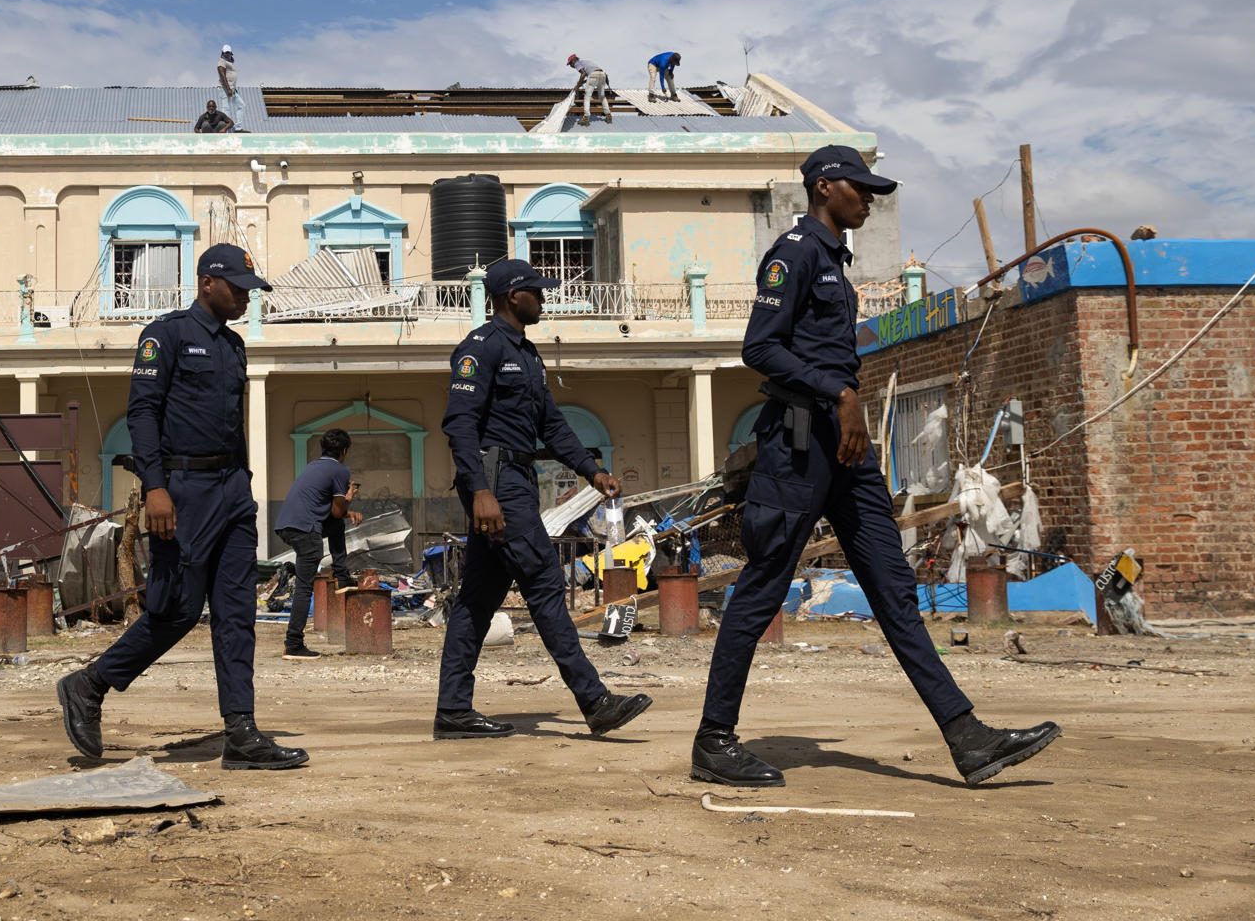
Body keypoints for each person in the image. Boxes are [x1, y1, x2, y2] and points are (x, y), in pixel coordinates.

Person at [692, 145, 1061, 789]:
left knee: (895, 593)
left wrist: (847, 407)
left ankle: (967, 737)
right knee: (762, 590)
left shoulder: (836, 258)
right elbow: (759, 347)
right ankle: (713, 742)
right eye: (860, 188)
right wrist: (838, 394)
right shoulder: (797, 252)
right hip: (800, 442)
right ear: (825, 187)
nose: (869, 198)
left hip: (847, 449)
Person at [58, 243, 307, 771]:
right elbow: (143, 413)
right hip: (182, 491)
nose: (245, 297)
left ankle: (241, 731)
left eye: (249, 288)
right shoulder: (165, 336)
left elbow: (231, 422)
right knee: (175, 610)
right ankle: (89, 684)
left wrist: (243, 483)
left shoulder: (236, 347)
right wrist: (155, 487)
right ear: (206, 283)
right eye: (237, 287)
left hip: (233, 491)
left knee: (238, 615)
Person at [435, 258, 652, 741]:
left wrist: (592, 471)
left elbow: (551, 426)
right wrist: (481, 492)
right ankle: (594, 701)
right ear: (514, 296)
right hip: (497, 486)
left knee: (475, 602)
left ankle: (452, 710)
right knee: (545, 585)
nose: (544, 297)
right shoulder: (480, 349)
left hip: (516, 479)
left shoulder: (528, 356)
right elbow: (460, 426)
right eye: (538, 290)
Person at [274, 427, 363, 660]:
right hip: (305, 529)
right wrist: (349, 496)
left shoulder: (313, 466)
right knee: (304, 586)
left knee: (336, 526)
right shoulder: (340, 470)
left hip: (286, 524)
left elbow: (334, 516)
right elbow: (336, 509)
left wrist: (347, 511)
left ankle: (343, 576)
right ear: (344, 451)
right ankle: (293, 644)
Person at [567, 54, 612, 125]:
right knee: (602, 96)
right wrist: (582, 82)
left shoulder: (577, 63)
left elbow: (583, 74)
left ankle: (586, 118)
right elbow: (592, 74)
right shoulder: (586, 61)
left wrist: (577, 86)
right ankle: (608, 115)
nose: (571, 66)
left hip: (593, 75)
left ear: (573, 61)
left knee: (587, 97)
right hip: (602, 74)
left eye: (570, 64)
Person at [214, 45, 246, 131]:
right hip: (224, 88)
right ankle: (225, 128)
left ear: (231, 53)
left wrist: (233, 88)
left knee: (241, 105)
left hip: (232, 89)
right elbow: (222, 74)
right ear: (222, 53)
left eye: (228, 53)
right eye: (226, 52)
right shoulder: (222, 61)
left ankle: (238, 128)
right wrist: (228, 88)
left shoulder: (230, 62)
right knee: (226, 108)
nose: (227, 54)